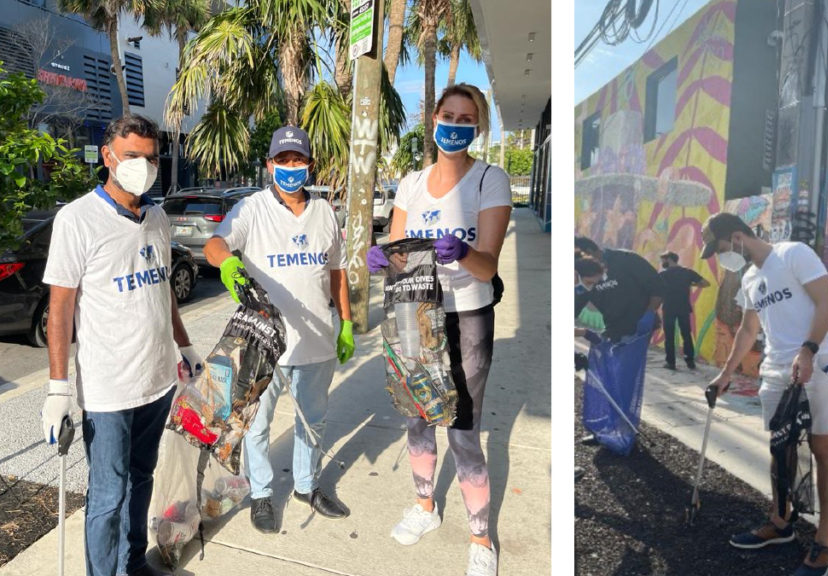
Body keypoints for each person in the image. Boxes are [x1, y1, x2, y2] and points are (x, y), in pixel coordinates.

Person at [41, 114, 202, 576]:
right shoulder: (77, 219)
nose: (143, 166)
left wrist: (184, 345)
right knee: (108, 495)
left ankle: (132, 564)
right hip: (109, 390)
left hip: (156, 381)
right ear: (108, 156)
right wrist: (57, 390)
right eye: (132, 157)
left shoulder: (155, 216)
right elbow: (61, 309)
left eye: (151, 158)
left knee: (142, 479)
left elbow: (162, 286)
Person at [366, 82, 511, 576]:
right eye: (447, 116)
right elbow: (399, 252)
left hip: (468, 314)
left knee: (464, 431)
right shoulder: (411, 182)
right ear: (433, 119)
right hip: (416, 311)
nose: (455, 125)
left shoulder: (490, 180)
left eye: (466, 120)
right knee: (417, 415)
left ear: (478, 127)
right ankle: (425, 507)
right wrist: (381, 258)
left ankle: (479, 536)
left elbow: (488, 267)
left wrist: (464, 253)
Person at [203, 125, 355, 533]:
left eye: (298, 160)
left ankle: (307, 485)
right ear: (270, 165)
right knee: (257, 423)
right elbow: (214, 246)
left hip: (317, 340)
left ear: (309, 165)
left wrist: (346, 323)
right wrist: (228, 262)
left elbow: (337, 272)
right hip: (264, 342)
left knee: (313, 419)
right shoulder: (251, 209)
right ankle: (262, 494)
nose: (291, 168)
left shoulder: (325, 212)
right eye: (283, 160)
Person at [702, 212, 828, 576]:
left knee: (822, 446)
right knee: (779, 446)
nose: (721, 258)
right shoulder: (749, 277)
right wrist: (725, 375)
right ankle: (780, 522)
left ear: (737, 237)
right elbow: (748, 331)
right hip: (776, 369)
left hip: (817, 360)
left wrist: (808, 350)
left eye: (719, 249)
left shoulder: (794, 254)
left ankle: (826, 543)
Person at [574, 236, 662, 342]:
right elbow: (577, 303)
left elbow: (657, 286)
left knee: (630, 356)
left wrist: (649, 314)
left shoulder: (626, 259)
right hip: (613, 328)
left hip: (640, 324)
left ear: (589, 252)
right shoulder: (583, 275)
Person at [658, 251, 709, 370]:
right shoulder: (687, 272)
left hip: (669, 308)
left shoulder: (663, 275)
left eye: (663, 260)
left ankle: (670, 363)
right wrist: (690, 283)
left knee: (669, 336)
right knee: (686, 335)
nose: (662, 263)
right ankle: (690, 362)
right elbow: (706, 283)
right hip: (684, 308)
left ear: (669, 259)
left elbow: (657, 290)